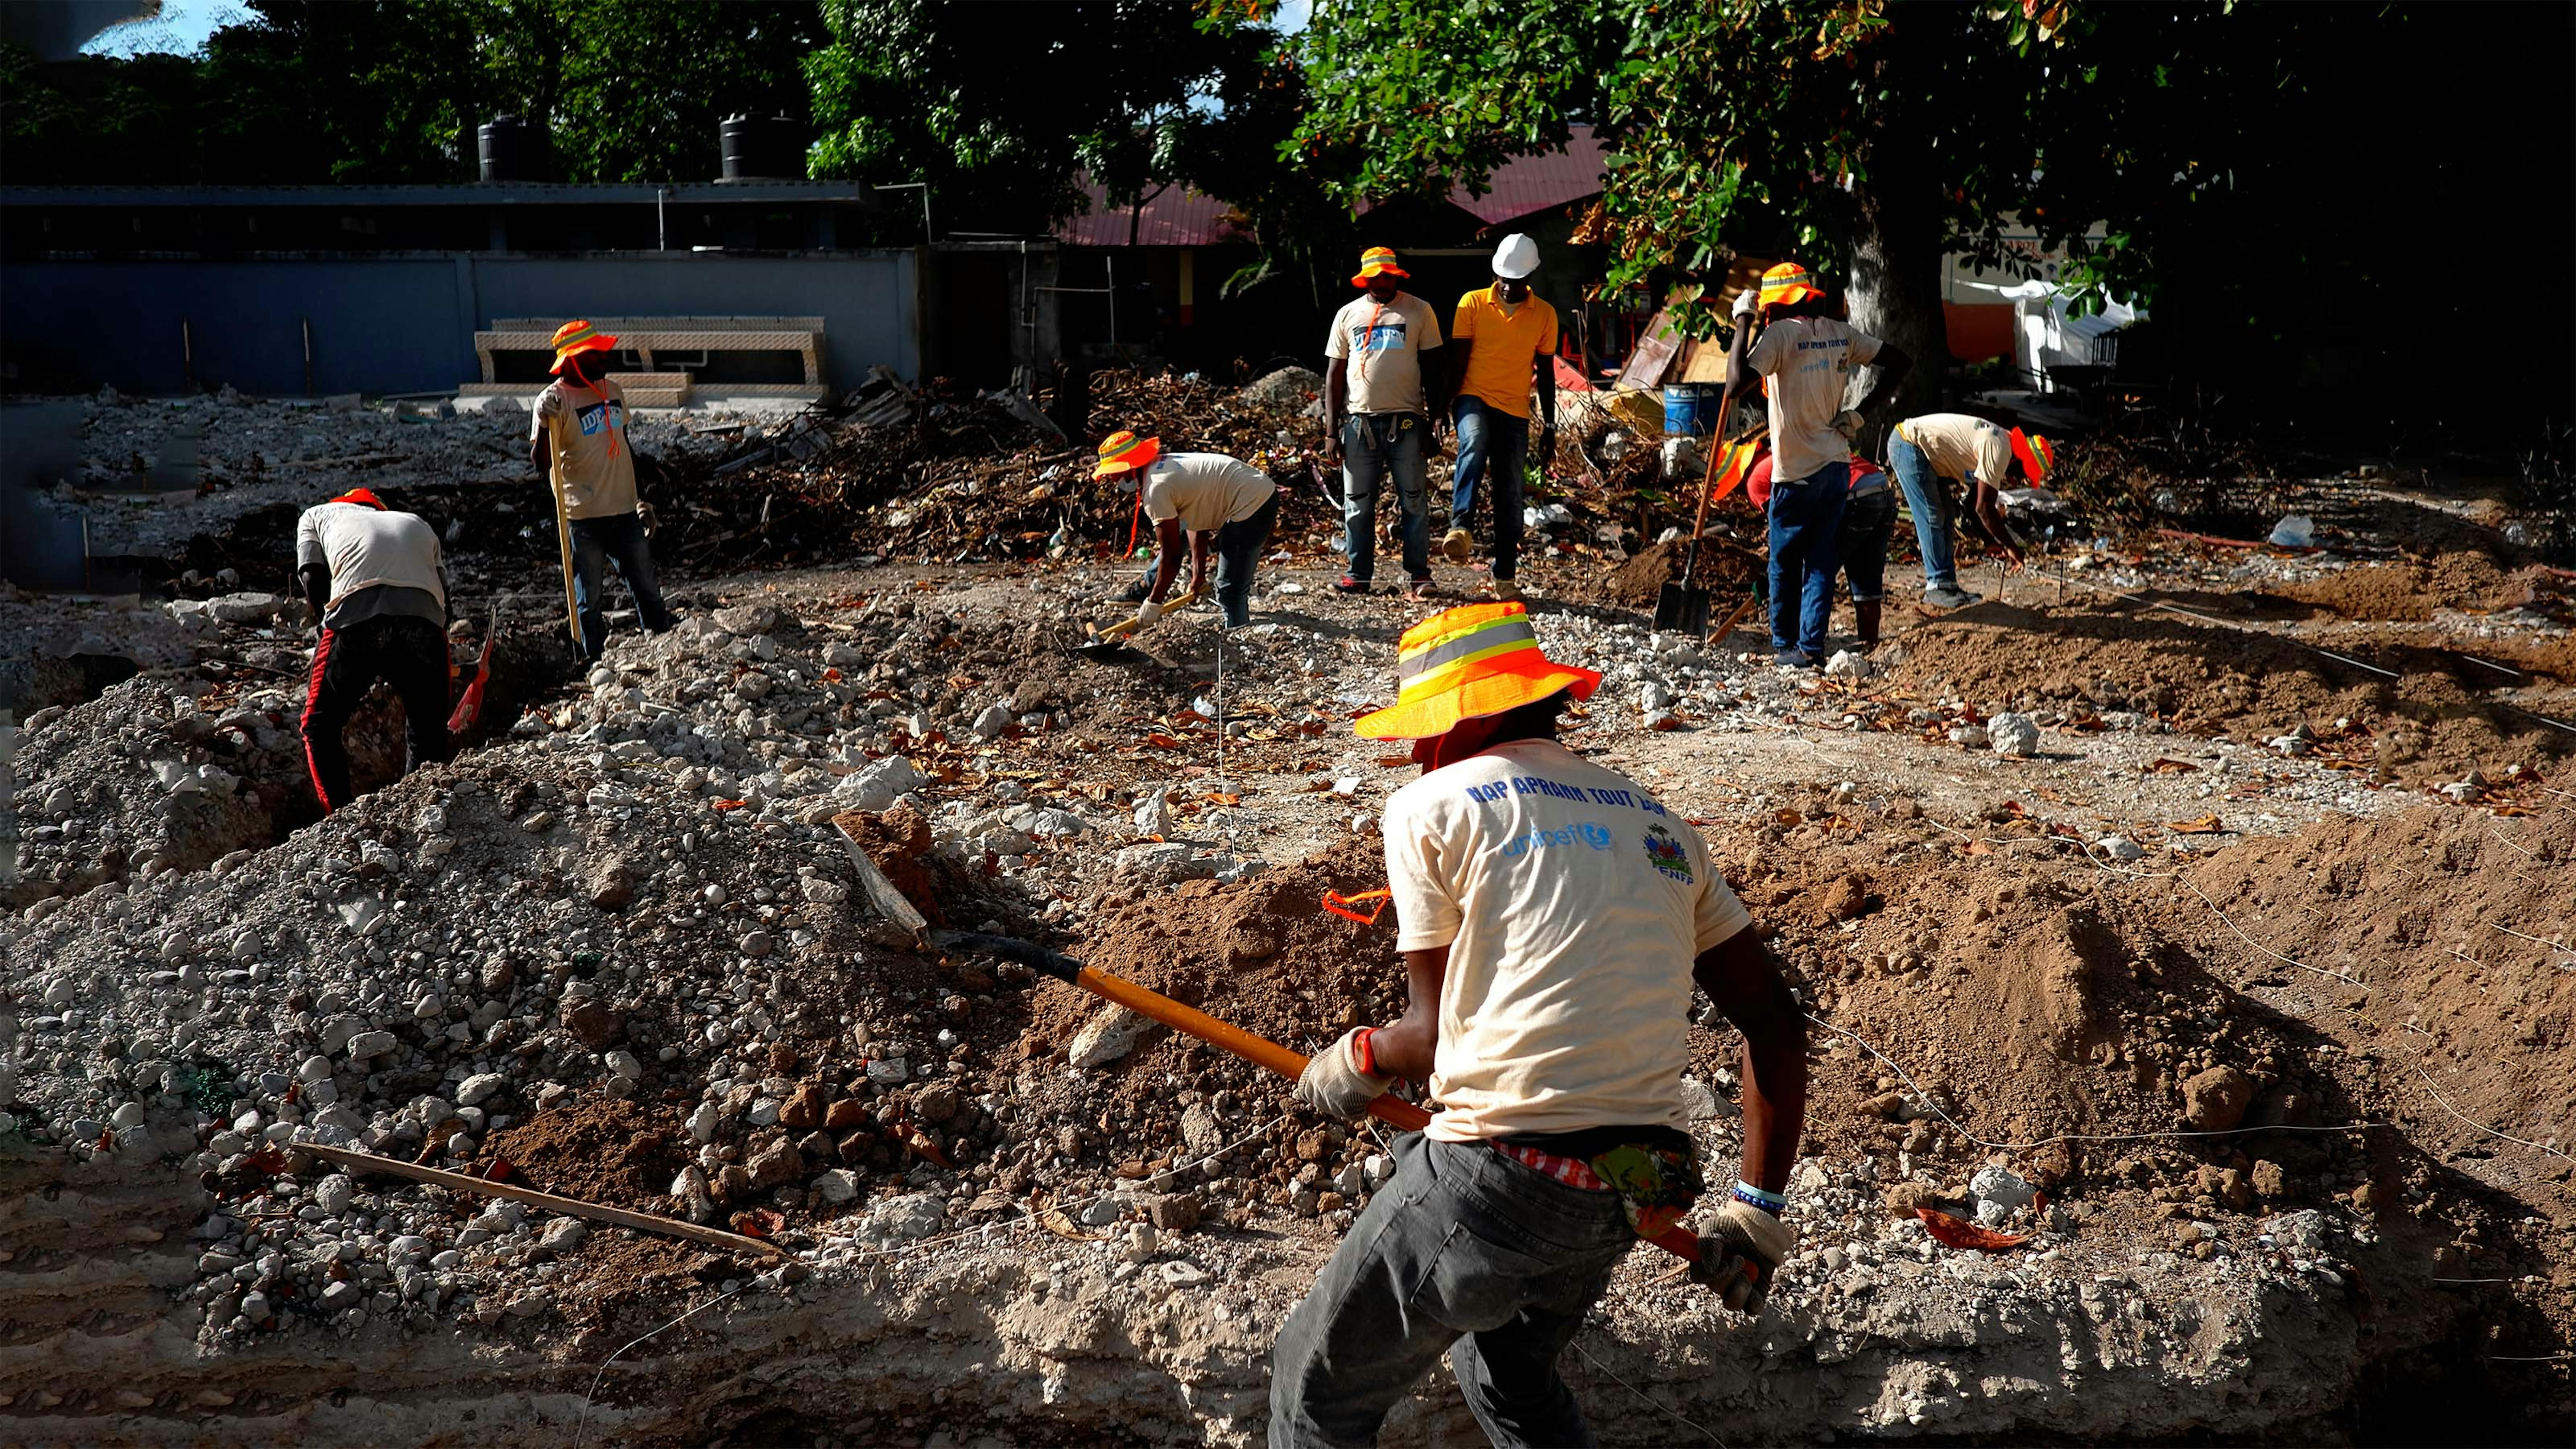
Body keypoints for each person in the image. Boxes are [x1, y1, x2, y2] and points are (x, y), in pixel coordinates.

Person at [1270, 602, 1810, 1448]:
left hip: (1504, 1177)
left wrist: (1357, 1058)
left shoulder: (1434, 804)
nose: (1414, 750)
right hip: (1638, 1188)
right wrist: (1755, 1213)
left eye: (1424, 728)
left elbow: (1435, 1039)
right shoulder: (1658, 822)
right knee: (1511, 1378)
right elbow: (1776, 1026)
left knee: (1314, 1394)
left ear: (1469, 716)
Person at [1724, 263, 1912, 668]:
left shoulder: (1777, 335)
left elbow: (1734, 384)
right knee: (1821, 562)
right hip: (1835, 466)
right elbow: (1900, 361)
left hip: (1794, 472)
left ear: (1772, 307)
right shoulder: (1839, 332)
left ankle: (1785, 647)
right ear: (1808, 296)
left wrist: (1742, 322)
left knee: (1784, 563)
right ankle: (1811, 648)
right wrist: (1859, 413)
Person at [293, 487, 453, 813]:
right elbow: (444, 601)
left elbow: (312, 578)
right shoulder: (416, 522)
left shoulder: (316, 515)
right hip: (424, 622)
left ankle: (339, 818)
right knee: (428, 727)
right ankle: (423, 808)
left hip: (356, 618)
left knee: (318, 724)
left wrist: (326, 626)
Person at [526, 319, 676, 659]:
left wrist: (640, 498)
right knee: (589, 600)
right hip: (583, 518)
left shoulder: (613, 391)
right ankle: (591, 664)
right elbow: (541, 464)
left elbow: (623, 444)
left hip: (624, 512)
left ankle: (664, 652)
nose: (603, 360)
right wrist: (542, 420)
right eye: (594, 356)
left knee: (648, 590)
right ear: (572, 361)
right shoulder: (554, 401)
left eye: (601, 353)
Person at [1443, 234, 1560, 603]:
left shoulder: (1544, 315)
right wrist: (1442, 409)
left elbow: (1546, 371)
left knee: (1510, 490)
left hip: (1514, 410)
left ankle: (1505, 574)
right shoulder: (1472, 304)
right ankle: (1460, 527)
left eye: (1517, 280)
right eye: (1504, 279)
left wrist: (1551, 425)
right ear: (1496, 274)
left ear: (1530, 278)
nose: (1509, 287)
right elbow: (1458, 360)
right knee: (1474, 442)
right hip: (1472, 396)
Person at [1324, 246, 1445, 599]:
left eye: (1386, 276)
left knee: (1413, 500)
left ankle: (1419, 576)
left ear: (1396, 276)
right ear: (1365, 279)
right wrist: (1331, 431)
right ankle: (1357, 575)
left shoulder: (1419, 311)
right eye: (1374, 277)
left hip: (1407, 422)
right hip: (1359, 423)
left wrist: (1436, 420)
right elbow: (1333, 374)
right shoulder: (1347, 315)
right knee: (1358, 503)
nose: (1381, 282)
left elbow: (1435, 370)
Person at [1094, 430, 1279, 629]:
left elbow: (1172, 556)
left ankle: (1240, 643)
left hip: (1253, 504)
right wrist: (1198, 574)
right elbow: (1197, 523)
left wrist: (1154, 603)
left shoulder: (1156, 488)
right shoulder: (1164, 464)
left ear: (1129, 469)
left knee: (1229, 590)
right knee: (1180, 533)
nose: (1112, 479)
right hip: (1255, 490)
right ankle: (1147, 588)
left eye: (1113, 473)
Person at [1887, 413, 2047, 607]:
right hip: (1909, 445)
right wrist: (2013, 548)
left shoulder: (2000, 444)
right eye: (2023, 475)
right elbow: (1984, 508)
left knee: (1946, 515)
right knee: (1933, 516)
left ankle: (1948, 586)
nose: (2017, 481)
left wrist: (1990, 542)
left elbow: (1972, 505)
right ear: (2018, 461)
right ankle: (1937, 587)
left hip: (1927, 455)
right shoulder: (1999, 448)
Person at [1746, 447, 1895, 651]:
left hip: (1853, 497)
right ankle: (1870, 646)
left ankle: (1805, 647)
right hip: (1882, 492)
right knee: (1866, 579)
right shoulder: (1792, 454)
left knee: (1815, 572)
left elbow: (1786, 540)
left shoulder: (1756, 481)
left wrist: (1773, 582)